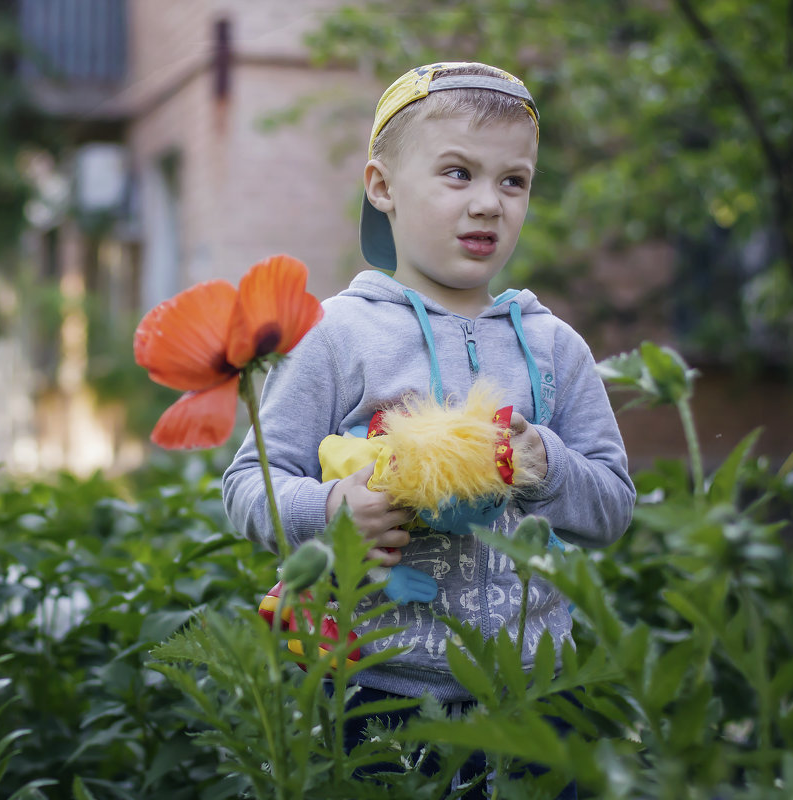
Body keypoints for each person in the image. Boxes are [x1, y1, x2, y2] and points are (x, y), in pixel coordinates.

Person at [222, 61, 635, 797]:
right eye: (457, 174)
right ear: (382, 187)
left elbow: (613, 509)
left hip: (536, 696)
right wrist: (331, 509)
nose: (488, 204)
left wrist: (550, 465)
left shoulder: (551, 346)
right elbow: (247, 483)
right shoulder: (339, 335)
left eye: (514, 182)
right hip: (378, 695)